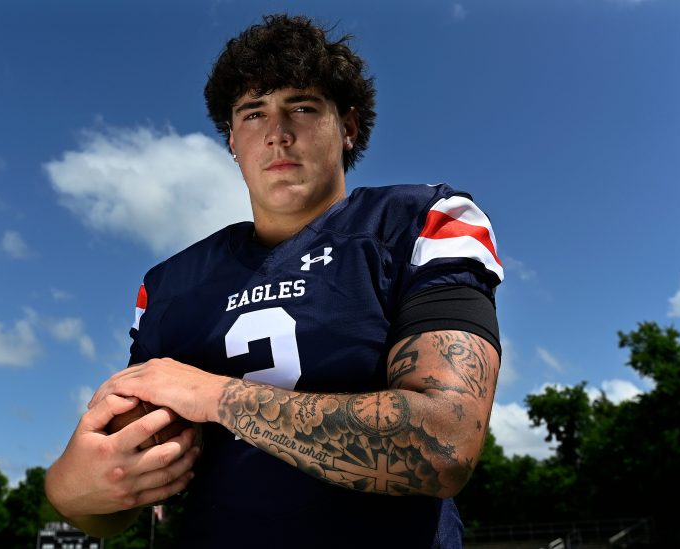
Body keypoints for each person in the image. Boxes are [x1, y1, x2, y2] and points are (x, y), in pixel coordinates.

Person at [45, 13, 503, 549]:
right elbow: (122, 494)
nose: (278, 134)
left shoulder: (421, 221)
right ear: (232, 140)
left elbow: (444, 443)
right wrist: (72, 490)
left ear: (348, 127)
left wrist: (215, 395)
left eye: (302, 107)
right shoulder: (170, 284)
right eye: (254, 113)